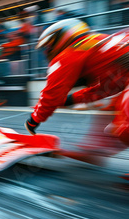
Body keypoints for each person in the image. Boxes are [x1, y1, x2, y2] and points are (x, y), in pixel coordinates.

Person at [25, 18, 129, 146]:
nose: (47, 51)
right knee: (117, 129)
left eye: (49, 46)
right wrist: (71, 99)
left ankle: (94, 151)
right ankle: (94, 151)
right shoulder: (99, 43)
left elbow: (51, 95)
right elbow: (107, 88)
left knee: (124, 130)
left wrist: (33, 120)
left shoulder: (70, 53)